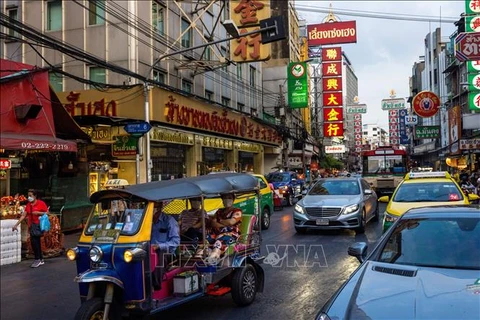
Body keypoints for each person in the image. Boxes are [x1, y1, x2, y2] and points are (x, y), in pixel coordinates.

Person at [12, 189, 48, 268]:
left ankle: (37, 259)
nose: (29, 197)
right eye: (28, 196)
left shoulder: (41, 203)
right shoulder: (28, 205)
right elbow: (23, 215)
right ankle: (40, 259)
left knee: (34, 242)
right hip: (31, 226)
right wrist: (16, 224)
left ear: (35, 196)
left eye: (30, 196)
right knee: (36, 242)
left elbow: (47, 212)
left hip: (38, 225)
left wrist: (38, 213)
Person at [151, 201, 180, 290]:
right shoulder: (144, 221)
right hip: (148, 249)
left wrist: (159, 246)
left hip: (167, 252)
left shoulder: (169, 220)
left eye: (156, 205)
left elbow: (175, 242)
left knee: (161, 253)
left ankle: (155, 285)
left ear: (160, 206)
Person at [205, 193, 242, 261]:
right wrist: (225, 223)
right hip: (216, 233)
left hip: (230, 234)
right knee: (205, 240)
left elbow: (231, 222)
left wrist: (220, 220)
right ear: (222, 199)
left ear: (233, 199)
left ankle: (212, 259)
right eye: (225, 198)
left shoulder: (237, 211)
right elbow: (213, 223)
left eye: (229, 198)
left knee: (219, 242)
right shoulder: (219, 211)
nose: (227, 200)